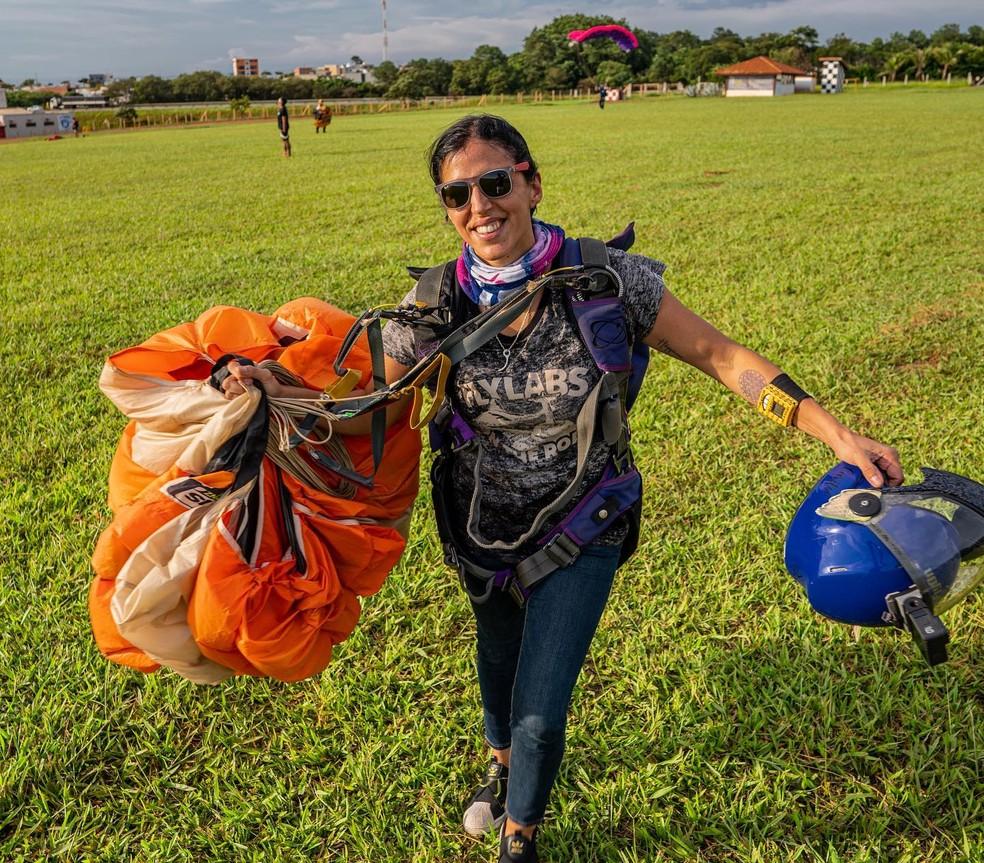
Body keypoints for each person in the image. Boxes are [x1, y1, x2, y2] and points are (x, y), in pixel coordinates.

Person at [221, 114, 904, 863]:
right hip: (479, 525)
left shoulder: (609, 282)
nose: (480, 206)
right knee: (496, 656)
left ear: (531, 181)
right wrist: (271, 388)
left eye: (494, 183)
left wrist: (839, 435)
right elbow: (371, 411)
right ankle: (498, 762)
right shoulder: (430, 305)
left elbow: (719, 354)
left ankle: (521, 837)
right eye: (458, 194)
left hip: (587, 521)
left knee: (541, 709)